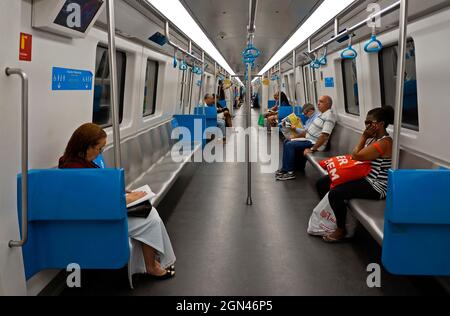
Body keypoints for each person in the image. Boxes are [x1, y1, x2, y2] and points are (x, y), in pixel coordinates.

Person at [58, 123, 176, 279]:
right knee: (151, 218)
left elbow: (97, 190)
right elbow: (91, 203)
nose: (100, 153)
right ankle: (151, 266)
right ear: (85, 146)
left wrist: (120, 191)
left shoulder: (80, 162)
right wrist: (125, 199)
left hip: (102, 212)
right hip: (96, 220)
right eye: (99, 149)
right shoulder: (74, 170)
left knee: (150, 213)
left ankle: (153, 263)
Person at [316, 106, 395, 242]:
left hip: (378, 186)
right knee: (323, 183)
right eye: (366, 123)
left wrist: (364, 136)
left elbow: (356, 155)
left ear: (381, 124)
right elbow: (356, 153)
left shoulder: (385, 143)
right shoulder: (373, 139)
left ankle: (341, 229)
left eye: (371, 123)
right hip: (367, 177)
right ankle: (332, 218)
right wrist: (365, 138)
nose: (367, 126)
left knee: (336, 193)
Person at [276, 96, 336, 181]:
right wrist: (294, 138)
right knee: (287, 141)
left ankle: (289, 172)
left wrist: (312, 149)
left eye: (321, 102)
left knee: (290, 145)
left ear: (328, 104)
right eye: (318, 101)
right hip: (308, 139)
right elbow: (307, 132)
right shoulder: (321, 115)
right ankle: (288, 168)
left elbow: (324, 135)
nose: (318, 103)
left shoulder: (329, 116)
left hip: (314, 142)